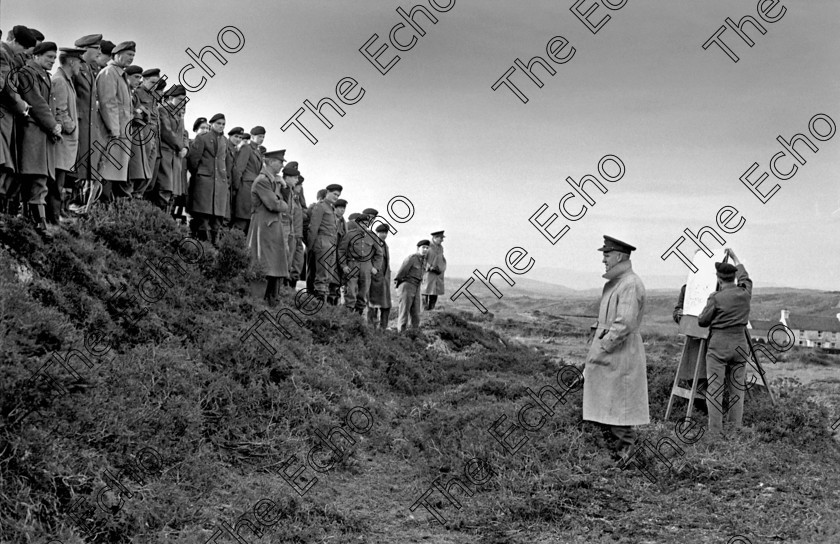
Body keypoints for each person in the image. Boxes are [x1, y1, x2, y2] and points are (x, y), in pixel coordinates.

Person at [584, 235, 649, 462]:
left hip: (621, 353)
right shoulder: (619, 282)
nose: (603, 259)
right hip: (613, 352)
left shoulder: (630, 283)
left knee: (620, 406)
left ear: (620, 256)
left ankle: (626, 456)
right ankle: (614, 454)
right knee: (607, 403)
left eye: (607, 254)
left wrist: (602, 346)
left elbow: (624, 324)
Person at [697, 249, 752, 440]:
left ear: (719, 279)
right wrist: (737, 258)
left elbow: (702, 321)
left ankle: (715, 433)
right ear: (734, 278)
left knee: (715, 389)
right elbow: (746, 277)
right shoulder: (745, 292)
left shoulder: (716, 297)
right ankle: (735, 429)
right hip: (740, 345)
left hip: (719, 346)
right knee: (737, 388)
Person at [17, 41, 61, 237]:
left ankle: (34, 219)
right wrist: (53, 125)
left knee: (39, 176)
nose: (52, 61)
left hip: (40, 133)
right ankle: (38, 222)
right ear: (36, 55)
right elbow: (36, 102)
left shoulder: (42, 75)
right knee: (36, 176)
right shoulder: (28, 73)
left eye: (54, 57)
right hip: (33, 131)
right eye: (48, 57)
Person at [0, 26, 36, 216]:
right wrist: (23, 106)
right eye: (22, 49)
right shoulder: (3, 54)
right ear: (14, 42)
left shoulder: (7, 55)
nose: (21, 54)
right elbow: (7, 88)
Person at [93, 40, 135, 204]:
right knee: (106, 173)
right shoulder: (109, 73)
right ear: (117, 54)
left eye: (133, 55)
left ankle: (106, 210)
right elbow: (107, 103)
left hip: (120, 134)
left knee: (113, 174)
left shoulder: (120, 75)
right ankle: (99, 211)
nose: (131, 58)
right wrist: (115, 131)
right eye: (128, 54)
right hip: (111, 134)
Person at [247, 149, 290, 306]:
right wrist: (283, 204)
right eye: (279, 163)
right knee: (262, 263)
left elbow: (281, 202)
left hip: (271, 227)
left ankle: (271, 300)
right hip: (262, 227)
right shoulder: (263, 181)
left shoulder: (273, 181)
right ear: (271, 162)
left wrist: (284, 187)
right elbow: (274, 204)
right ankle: (257, 302)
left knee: (274, 265)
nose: (281, 166)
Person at [49, 47, 83, 225]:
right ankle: (53, 220)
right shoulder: (61, 81)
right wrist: (71, 127)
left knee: (58, 183)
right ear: (71, 61)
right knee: (56, 183)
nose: (80, 66)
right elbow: (60, 111)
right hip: (62, 142)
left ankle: (54, 218)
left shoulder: (65, 80)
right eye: (79, 62)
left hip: (65, 142)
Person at [187, 113, 231, 245]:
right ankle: (203, 247)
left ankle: (214, 246)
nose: (221, 126)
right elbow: (193, 160)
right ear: (212, 124)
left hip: (220, 184)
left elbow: (226, 162)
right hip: (204, 183)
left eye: (223, 124)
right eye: (218, 123)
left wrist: (224, 178)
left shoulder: (225, 141)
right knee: (203, 218)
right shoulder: (203, 138)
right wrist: (201, 174)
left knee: (217, 219)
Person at [149, 84, 187, 210]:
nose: (182, 103)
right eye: (180, 99)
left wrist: (186, 147)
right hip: (165, 154)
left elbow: (184, 134)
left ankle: (165, 222)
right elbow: (166, 132)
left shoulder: (179, 114)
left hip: (176, 158)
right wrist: (181, 146)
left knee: (172, 194)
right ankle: (158, 221)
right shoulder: (162, 110)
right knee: (163, 190)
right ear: (170, 98)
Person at [307, 184, 342, 301]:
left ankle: (323, 308)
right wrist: (310, 247)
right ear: (327, 192)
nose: (336, 197)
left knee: (327, 277)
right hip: (322, 243)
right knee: (321, 277)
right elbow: (313, 228)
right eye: (334, 194)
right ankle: (318, 306)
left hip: (331, 245)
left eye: (338, 195)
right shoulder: (320, 206)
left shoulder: (331, 208)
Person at [131, 67, 162, 198]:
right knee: (139, 166)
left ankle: (139, 194)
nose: (155, 86)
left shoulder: (153, 96)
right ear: (144, 80)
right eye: (152, 82)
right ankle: (132, 193)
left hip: (154, 135)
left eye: (157, 84)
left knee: (149, 167)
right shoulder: (137, 92)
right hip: (142, 133)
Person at [230, 126, 265, 234]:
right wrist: (236, 188)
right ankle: (230, 246)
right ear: (252, 136)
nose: (262, 139)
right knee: (241, 222)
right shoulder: (246, 148)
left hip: (253, 190)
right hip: (244, 189)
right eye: (259, 136)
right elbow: (238, 169)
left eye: (263, 137)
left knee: (249, 223)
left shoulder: (257, 152)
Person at [394, 240, 429, 332]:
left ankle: (414, 333)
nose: (425, 249)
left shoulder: (423, 261)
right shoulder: (411, 258)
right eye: (423, 247)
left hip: (417, 287)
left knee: (416, 313)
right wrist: (399, 287)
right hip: (407, 286)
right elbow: (401, 273)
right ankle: (401, 334)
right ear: (418, 248)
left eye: (427, 248)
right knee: (404, 312)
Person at [368, 223, 392, 329]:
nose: (384, 235)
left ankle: (383, 329)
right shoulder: (372, 244)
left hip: (384, 281)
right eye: (381, 232)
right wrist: (373, 271)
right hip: (374, 280)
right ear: (376, 233)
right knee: (373, 306)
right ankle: (371, 328)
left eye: (385, 233)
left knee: (386, 306)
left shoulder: (385, 245)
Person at [422, 230, 447, 310]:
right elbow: (422, 259)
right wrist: (429, 268)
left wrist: (441, 268)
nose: (442, 240)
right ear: (435, 238)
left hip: (437, 275)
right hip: (428, 274)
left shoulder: (441, 248)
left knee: (434, 293)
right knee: (425, 293)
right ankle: (423, 313)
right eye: (441, 238)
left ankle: (431, 310)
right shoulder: (427, 246)